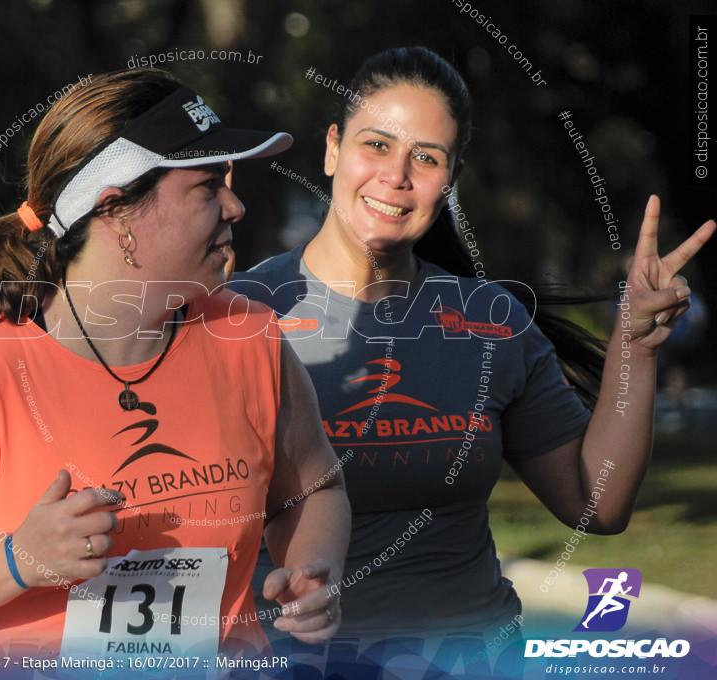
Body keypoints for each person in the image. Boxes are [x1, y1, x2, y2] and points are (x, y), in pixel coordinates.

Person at [0, 68, 350, 660]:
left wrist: (314, 573)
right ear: (117, 212)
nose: (235, 206)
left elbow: (315, 487)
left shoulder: (249, 338)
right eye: (208, 187)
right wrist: (17, 559)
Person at [233, 47, 714, 643]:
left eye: (426, 158)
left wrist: (634, 350)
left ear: (452, 177)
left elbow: (598, 504)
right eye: (376, 145)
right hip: (285, 658)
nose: (396, 176)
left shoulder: (492, 322)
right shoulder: (234, 316)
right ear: (333, 148)